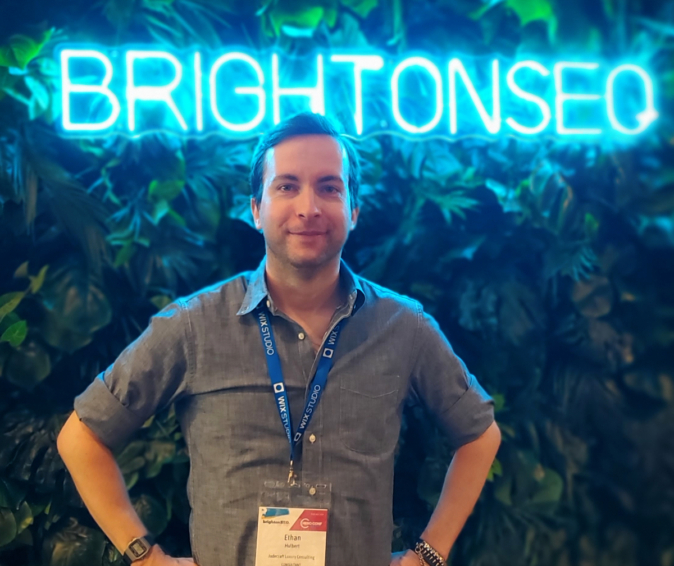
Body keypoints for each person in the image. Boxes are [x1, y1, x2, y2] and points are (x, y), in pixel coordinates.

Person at [57, 112, 501, 566]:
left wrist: (429, 553)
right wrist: (145, 557)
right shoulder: (193, 326)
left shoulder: (402, 327)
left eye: (329, 187)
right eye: (287, 186)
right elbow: (82, 438)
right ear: (256, 209)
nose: (308, 207)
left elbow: (479, 435)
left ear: (353, 210)